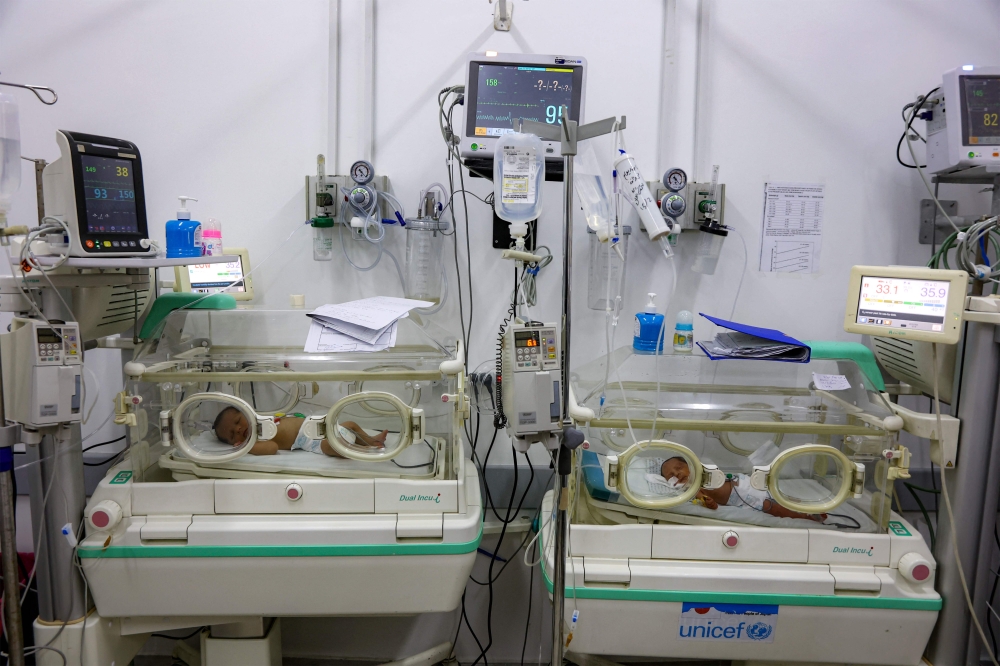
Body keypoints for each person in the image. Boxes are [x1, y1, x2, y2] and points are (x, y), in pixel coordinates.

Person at [659, 456, 825, 522]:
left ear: (689, 465)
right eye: (671, 476)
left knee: (782, 496)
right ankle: (806, 517)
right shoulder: (692, 488)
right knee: (773, 508)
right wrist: (709, 503)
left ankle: (807, 506)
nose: (677, 474)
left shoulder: (702, 470)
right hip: (743, 498)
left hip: (746, 482)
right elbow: (706, 502)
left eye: (679, 467)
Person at [213, 406, 387, 457]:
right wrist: (247, 446)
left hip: (319, 424)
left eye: (237, 421)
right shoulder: (256, 440)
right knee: (330, 446)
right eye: (232, 435)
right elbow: (272, 448)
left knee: (349, 424)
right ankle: (364, 450)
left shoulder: (261, 418)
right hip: (312, 441)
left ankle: (370, 439)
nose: (238, 429)